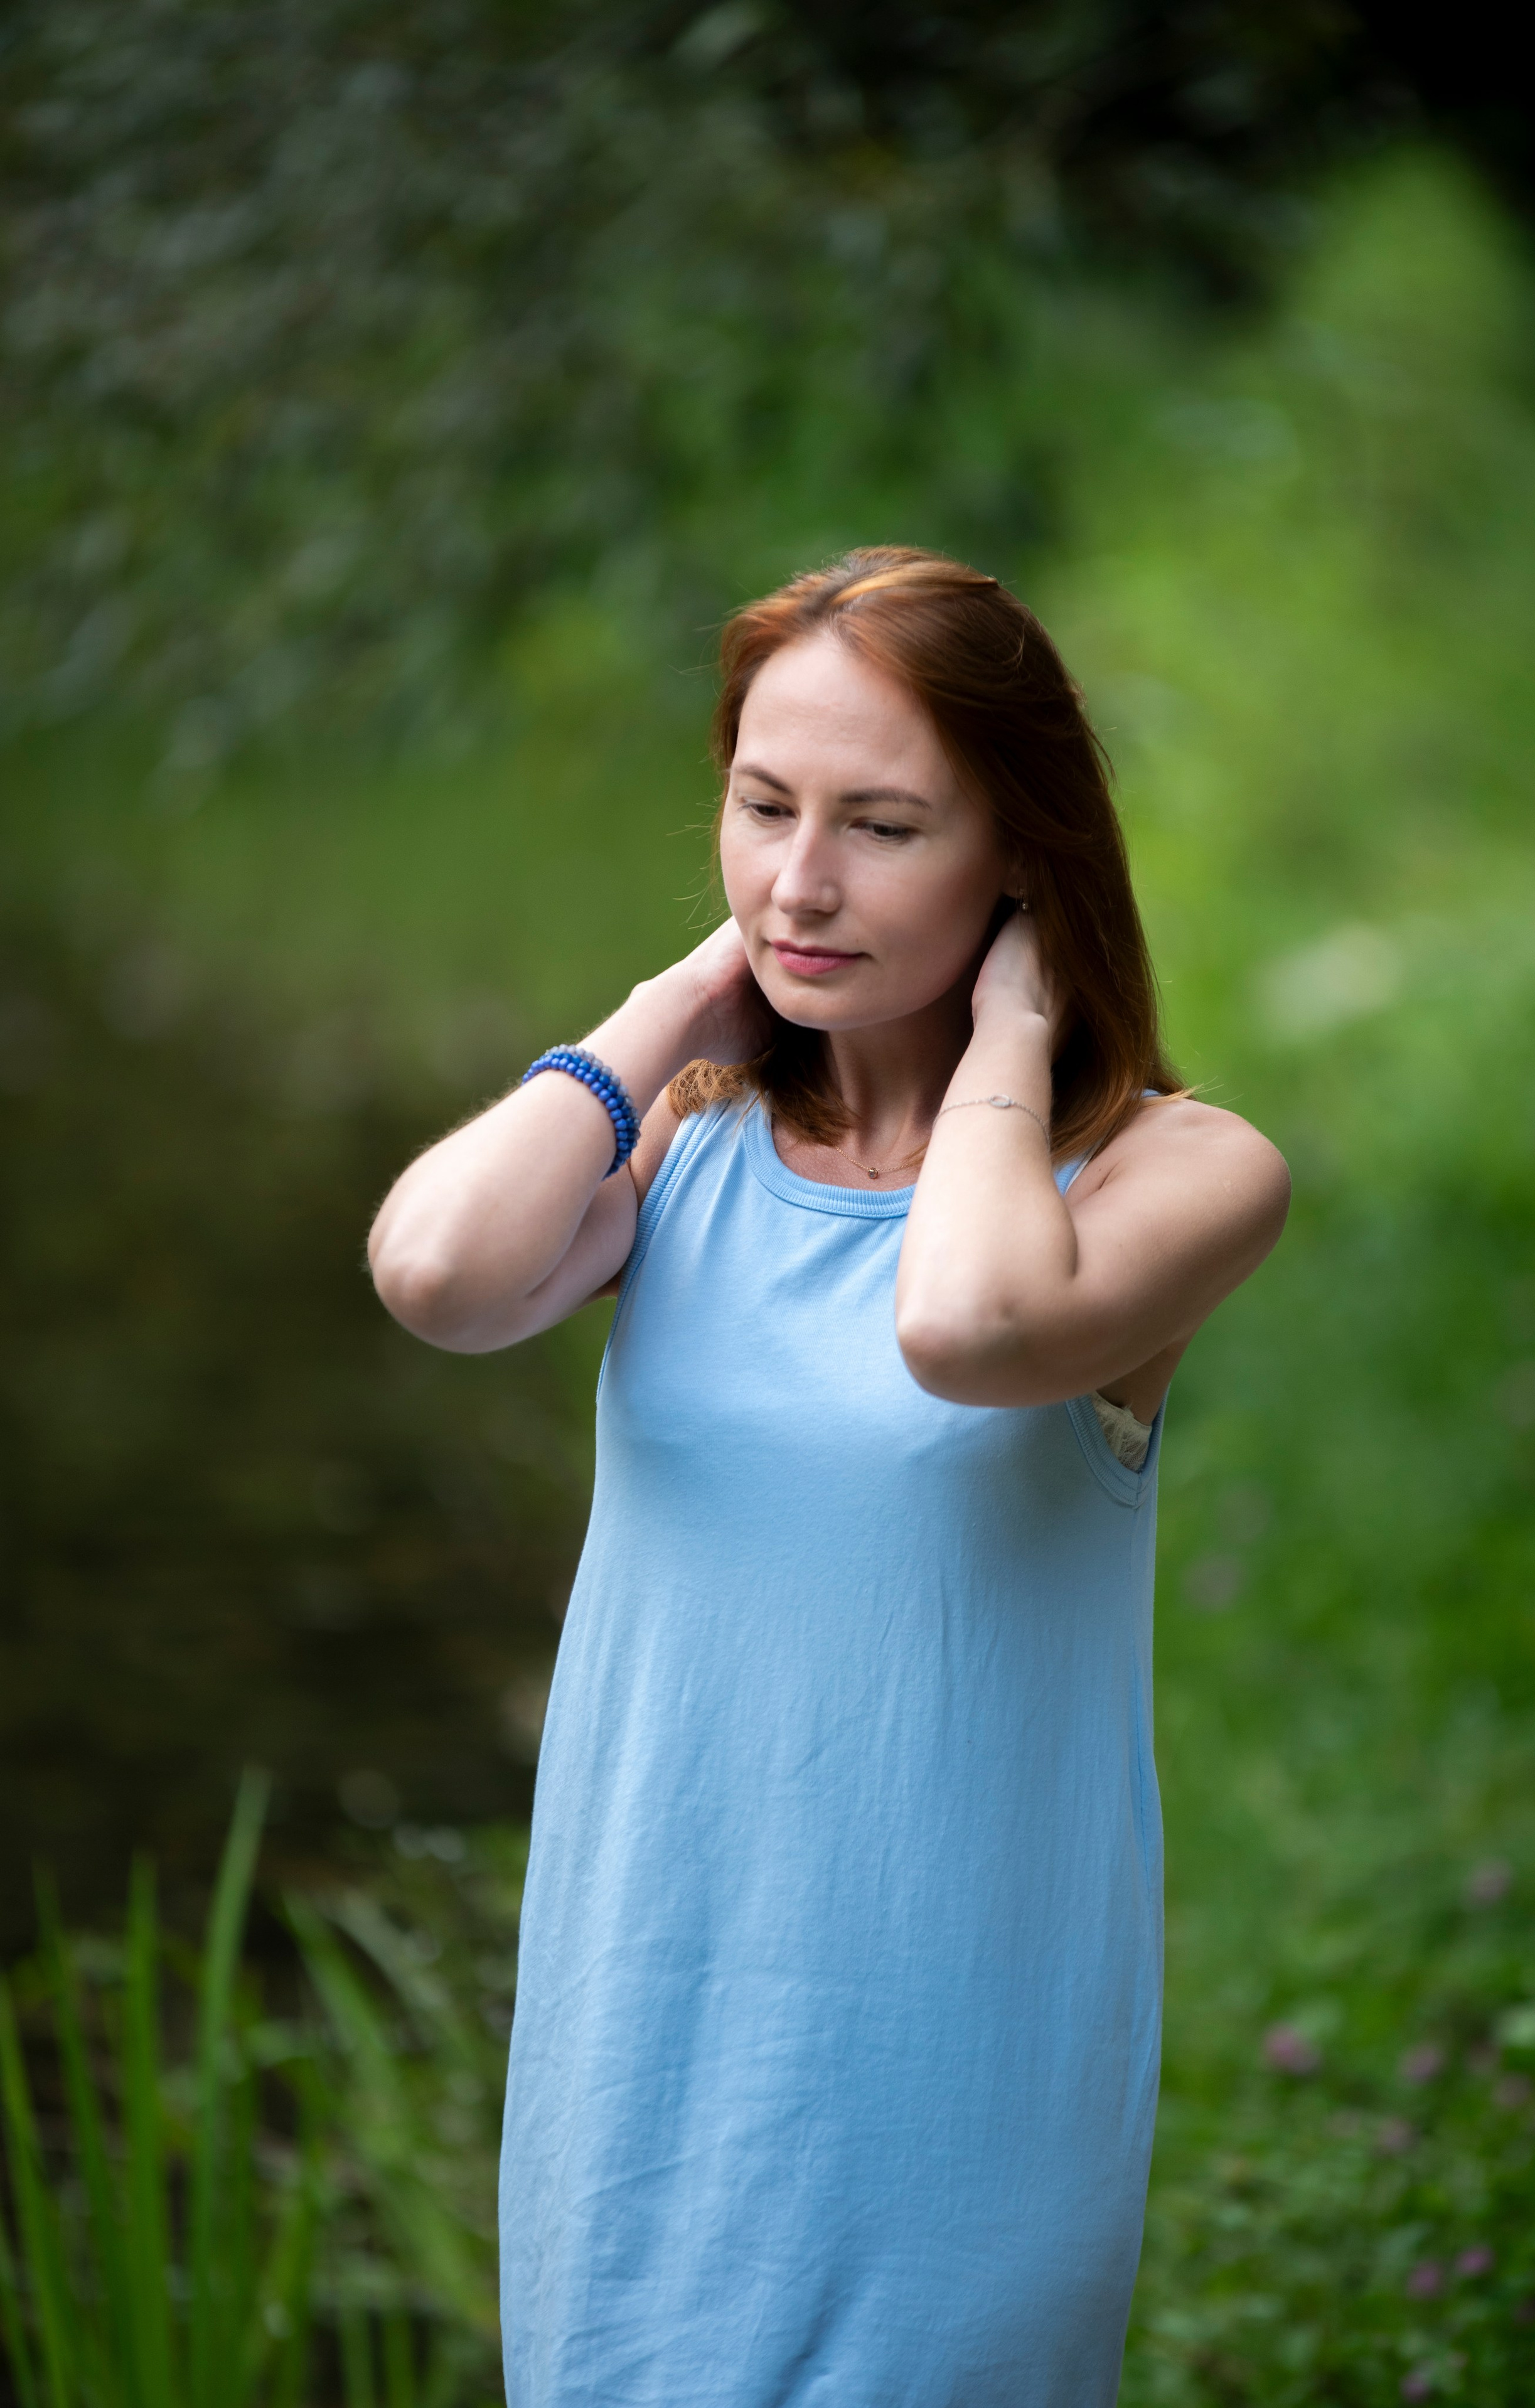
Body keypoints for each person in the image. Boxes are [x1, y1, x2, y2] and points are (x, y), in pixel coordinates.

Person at [368, 547, 1290, 2407]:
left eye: (882, 825)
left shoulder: (1171, 1176)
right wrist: (674, 1007)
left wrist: (1014, 1041)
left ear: (1020, 852)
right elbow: (437, 1276)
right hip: (648, 2055)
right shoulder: (685, 1148)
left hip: (949, 2091)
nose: (803, 881)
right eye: (762, 805)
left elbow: (963, 1326)